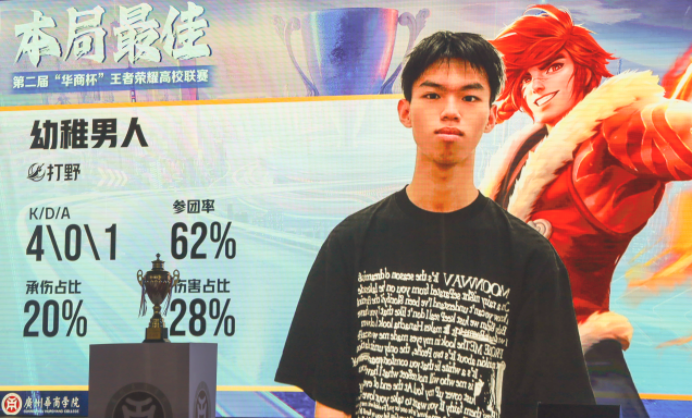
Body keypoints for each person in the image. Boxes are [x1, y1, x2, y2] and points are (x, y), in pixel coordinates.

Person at [276, 31, 595, 418]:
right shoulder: (351, 243)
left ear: (492, 116)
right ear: (405, 112)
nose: (450, 110)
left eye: (470, 97)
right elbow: (331, 401)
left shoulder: (531, 257)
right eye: (432, 95)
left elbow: (560, 402)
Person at [484, 5, 692, 418]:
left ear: (582, 69)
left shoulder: (612, 131)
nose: (537, 85)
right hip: (514, 371)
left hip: (582, 365)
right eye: (525, 75)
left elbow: (668, 129)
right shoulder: (525, 154)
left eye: (553, 66)